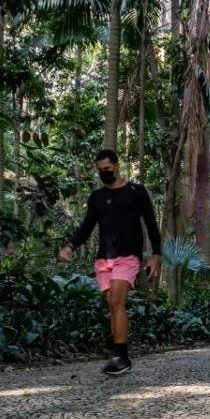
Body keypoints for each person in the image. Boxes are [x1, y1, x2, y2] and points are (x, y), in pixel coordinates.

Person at [58, 149, 162, 375]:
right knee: (113, 305)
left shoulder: (136, 192)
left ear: (116, 166)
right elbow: (87, 226)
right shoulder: (96, 198)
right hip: (103, 259)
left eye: (106, 169)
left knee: (116, 299)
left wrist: (156, 255)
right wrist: (70, 247)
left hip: (128, 255)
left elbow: (151, 224)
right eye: (99, 171)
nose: (103, 173)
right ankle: (118, 354)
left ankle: (122, 356)